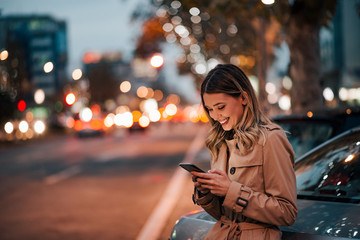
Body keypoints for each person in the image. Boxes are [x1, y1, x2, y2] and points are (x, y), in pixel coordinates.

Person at [191, 64, 297, 240]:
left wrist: (230, 190)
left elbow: (287, 212)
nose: (216, 116)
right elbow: (224, 215)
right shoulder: (219, 142)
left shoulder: (270, 139)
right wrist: (206, 192)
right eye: (210, 109)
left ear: (243, 98)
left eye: (221, 107)